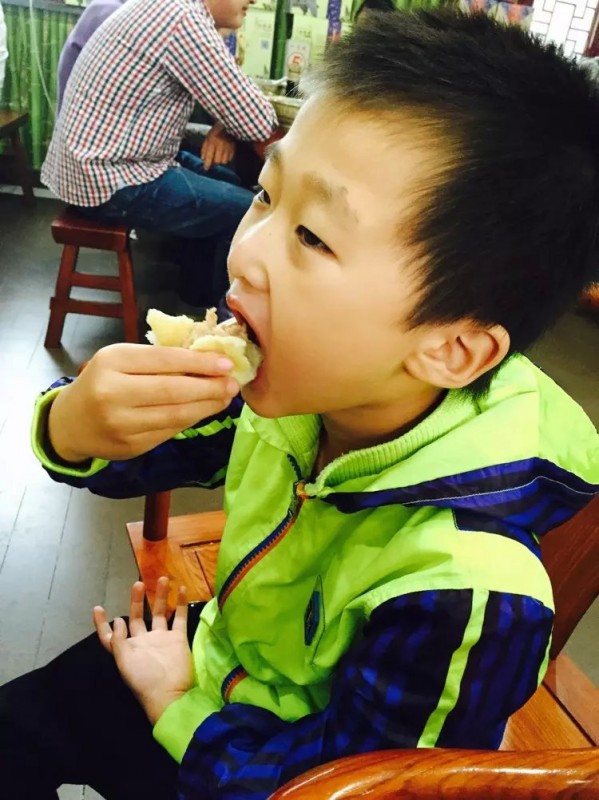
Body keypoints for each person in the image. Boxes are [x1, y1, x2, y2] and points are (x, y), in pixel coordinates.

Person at [4, 9, 599, 800]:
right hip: (219, 658)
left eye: (313, 236)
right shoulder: (296, 391)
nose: (245, 251)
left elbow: (347, 787)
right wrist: (73, 422)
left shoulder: (468, 593)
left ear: (450, 349)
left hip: (262, 758)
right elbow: (123, 456)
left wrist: (174, 704)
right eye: (263, 195)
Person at [42, 0, 278, 308]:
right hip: (108, 179)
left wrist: (224, 126)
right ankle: (219, 319)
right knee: (245, 210)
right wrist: (228, 125)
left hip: (97, 165)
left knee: (226, 180)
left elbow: (236, 104)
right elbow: (256, 120)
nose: (254, 1)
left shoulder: (170, 8)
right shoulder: (182, 21)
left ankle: (196, 297)